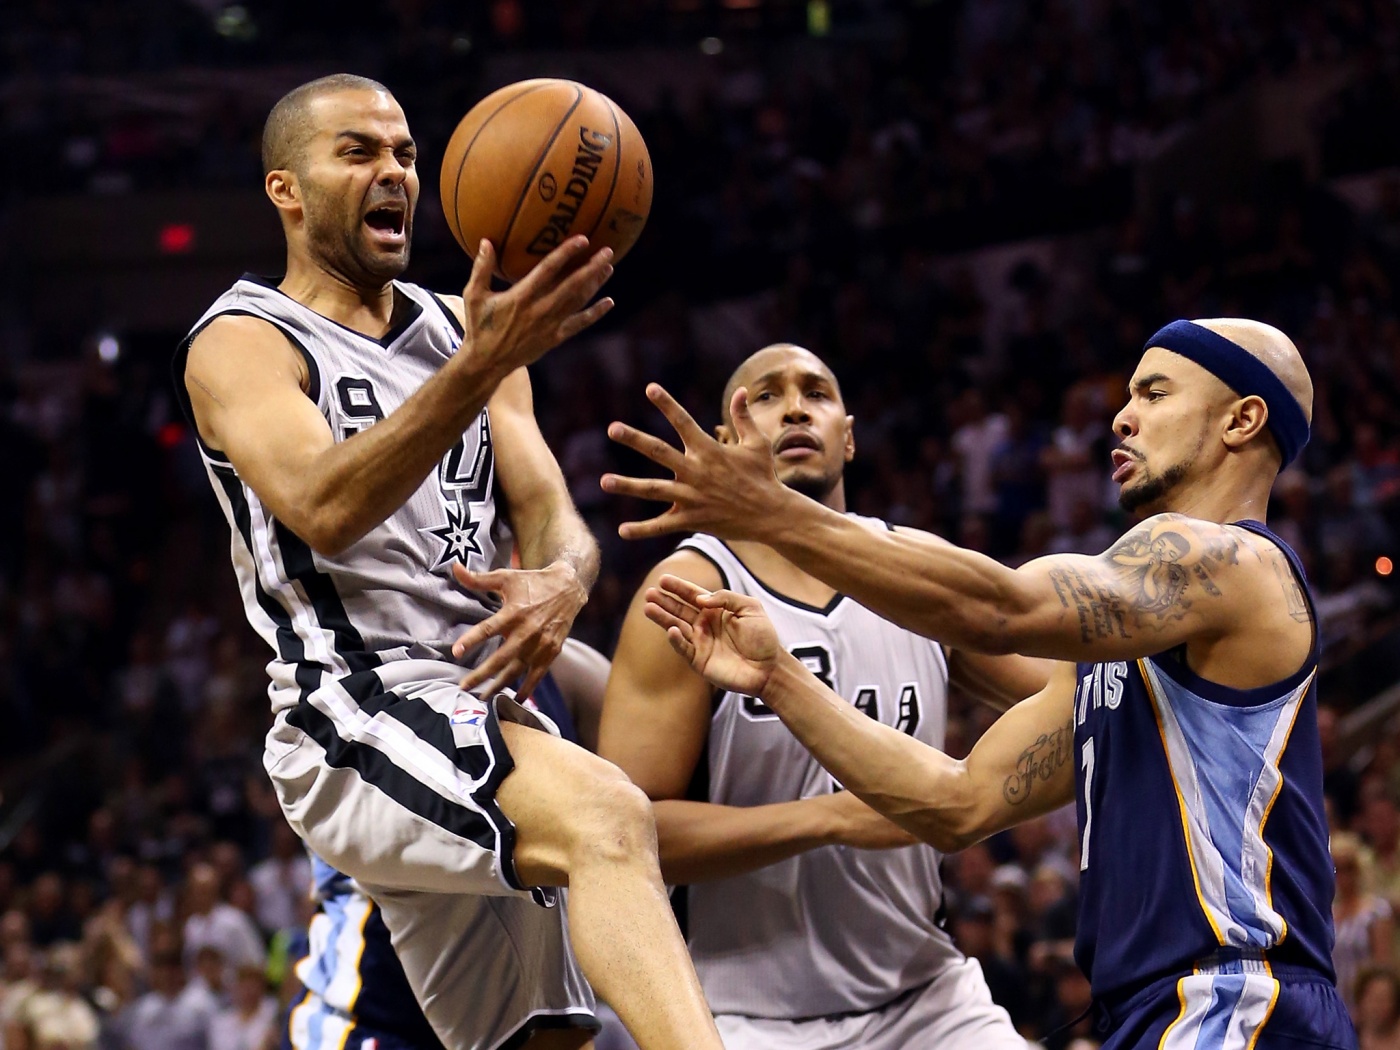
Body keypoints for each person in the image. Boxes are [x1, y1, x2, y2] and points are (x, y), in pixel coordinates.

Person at [603, 318, 1357, 1047]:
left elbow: (1002, 609)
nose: (1121, 418)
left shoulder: (1231, 562)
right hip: (1153, 1011)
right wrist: (778, 678)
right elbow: (957, 803)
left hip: (1238, 1003)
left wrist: (770, 512)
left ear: (1242, 419)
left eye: (1153, 394)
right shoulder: (1123, 652)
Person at [175, 73, 721, 1050]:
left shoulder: (468, 330)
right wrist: (475, 366)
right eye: (357, 152)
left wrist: (562, 579)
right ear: (285, 191)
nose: (392, 172)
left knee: (545, 1037)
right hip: (351, 713)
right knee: (607, 817)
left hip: (483, 703)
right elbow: (323, 507)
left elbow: (551, 510)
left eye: (405, 155)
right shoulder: (242, 343)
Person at [601, 344, 1047, 1049]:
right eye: (766, 396)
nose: (796, 406)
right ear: (724, 444)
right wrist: (827, 818)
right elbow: (626, 837)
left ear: (849, 434)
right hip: (745, 1015)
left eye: (816, 392)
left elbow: (1080, 696)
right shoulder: (688, 592)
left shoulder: (914, 574)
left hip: (928, 999)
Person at [287, 639, 630, 1050]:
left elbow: (639, 826)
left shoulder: (569, 670)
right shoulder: (366, 662)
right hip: (375, 1017)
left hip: (525, 1010)